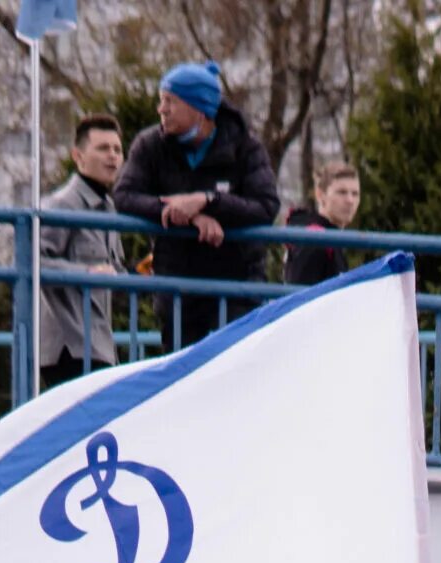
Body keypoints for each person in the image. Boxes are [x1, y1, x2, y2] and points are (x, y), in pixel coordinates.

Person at [113, 61, 280, 350]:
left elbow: (266, 206)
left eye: (170, 102)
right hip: (178, 288)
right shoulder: (150, 144)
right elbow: (125, 195)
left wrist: (209, 202)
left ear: (199, 110)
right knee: (183, 380)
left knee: (235, 375)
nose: (160, 110)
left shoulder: (245, 147)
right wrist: (187, 216)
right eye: (160, 100)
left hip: (237, 287)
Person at [37, 115, 125, 394]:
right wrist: (86, 273)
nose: (112, 156)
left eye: (117, 149)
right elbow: (32, 260)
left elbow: (113, 268)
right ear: (78, 156)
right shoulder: (62, 204)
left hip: (98, 344)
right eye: (102, 148)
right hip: (69, 346)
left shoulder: (107, 207)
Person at [283, 160, 361, 289]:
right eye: (341, 192)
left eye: (355, 194)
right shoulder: (315, 239)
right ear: (320, 195)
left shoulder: (331, 237)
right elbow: (301, 298)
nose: (350, 200)